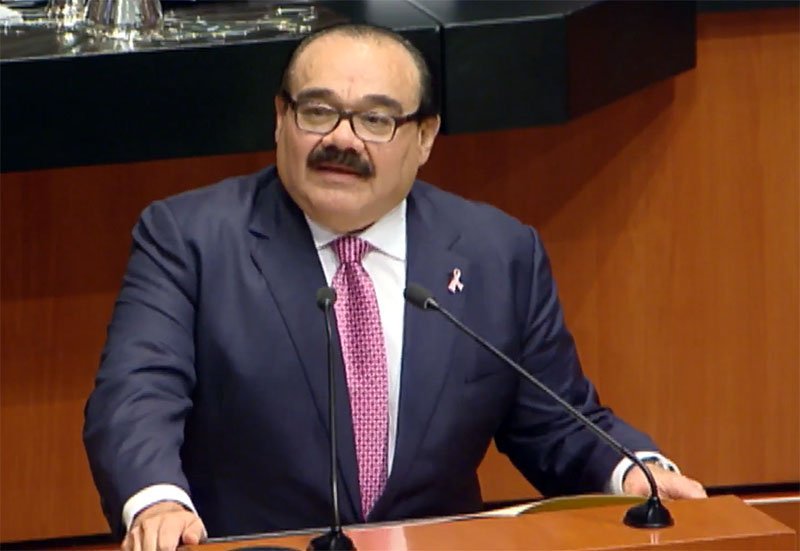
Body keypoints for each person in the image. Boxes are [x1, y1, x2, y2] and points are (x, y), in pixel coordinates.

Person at [83, 23, 706, 551]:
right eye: (317, 111)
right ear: (280, 119)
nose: (341, 139)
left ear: (425, 137)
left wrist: (636, 473)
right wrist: (157, 500)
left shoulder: (497, 252)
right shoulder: (190, 238)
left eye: (376, 119)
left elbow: (558, 422)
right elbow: (135, 395)